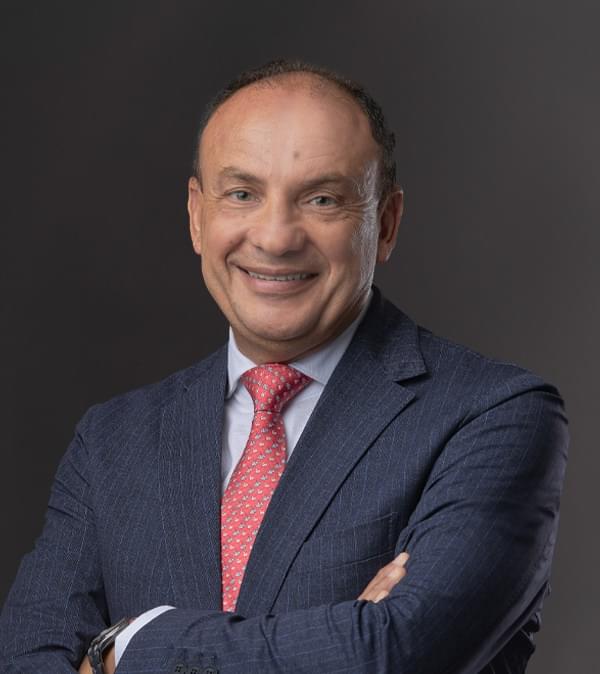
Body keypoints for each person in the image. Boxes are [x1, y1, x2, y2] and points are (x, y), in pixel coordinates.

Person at [0, 59, 568, 674]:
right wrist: (343, 637)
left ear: (386, 224)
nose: (275, 238)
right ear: (196, 216)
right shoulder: (111, 441)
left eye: (322, 199)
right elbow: (26, 660)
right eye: (242, 194)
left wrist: (131, 647)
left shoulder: (493, 416)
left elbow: (399, 654)